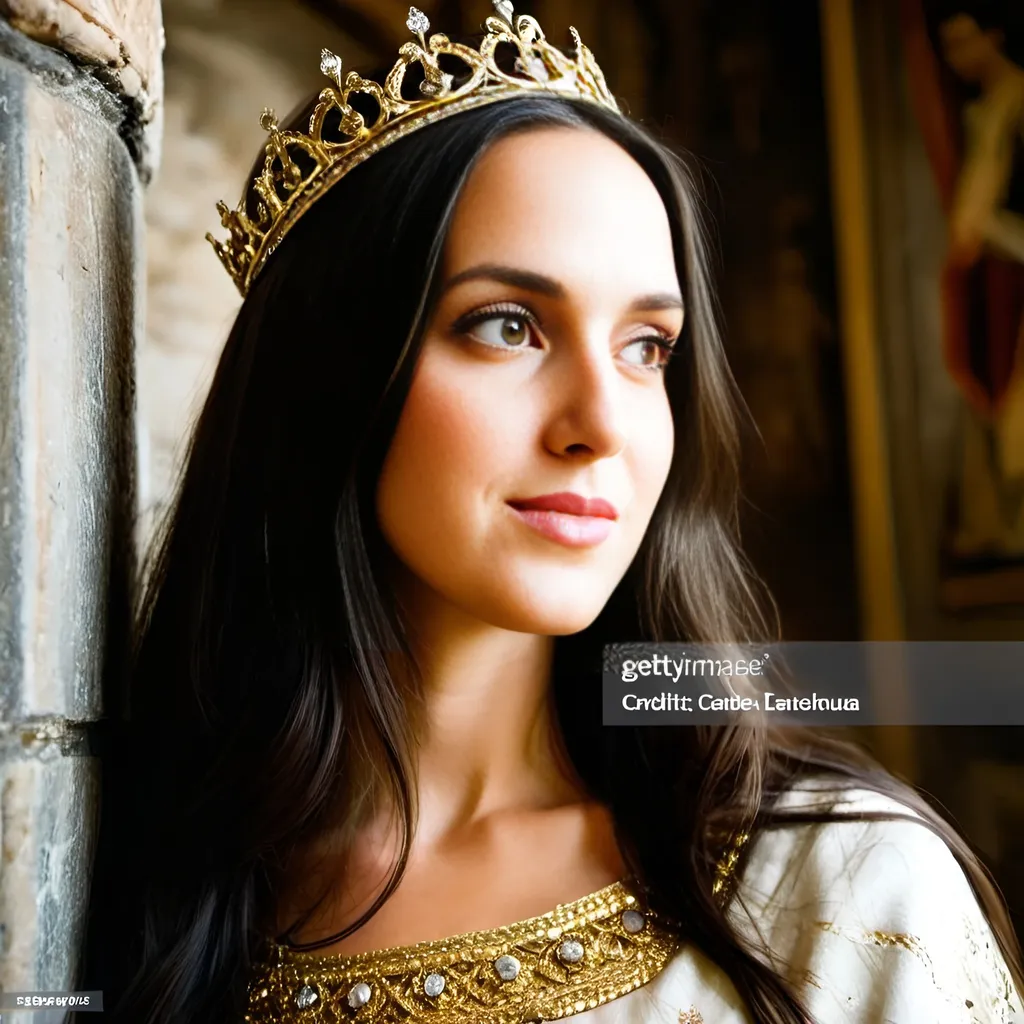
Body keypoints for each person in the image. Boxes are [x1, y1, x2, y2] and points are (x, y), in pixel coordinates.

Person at [80, 3, 1024, 1022]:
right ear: (335, 377)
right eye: (508, 326)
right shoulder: (144, 891)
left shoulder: (846, 893)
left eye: (646, 347)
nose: (600, 424)